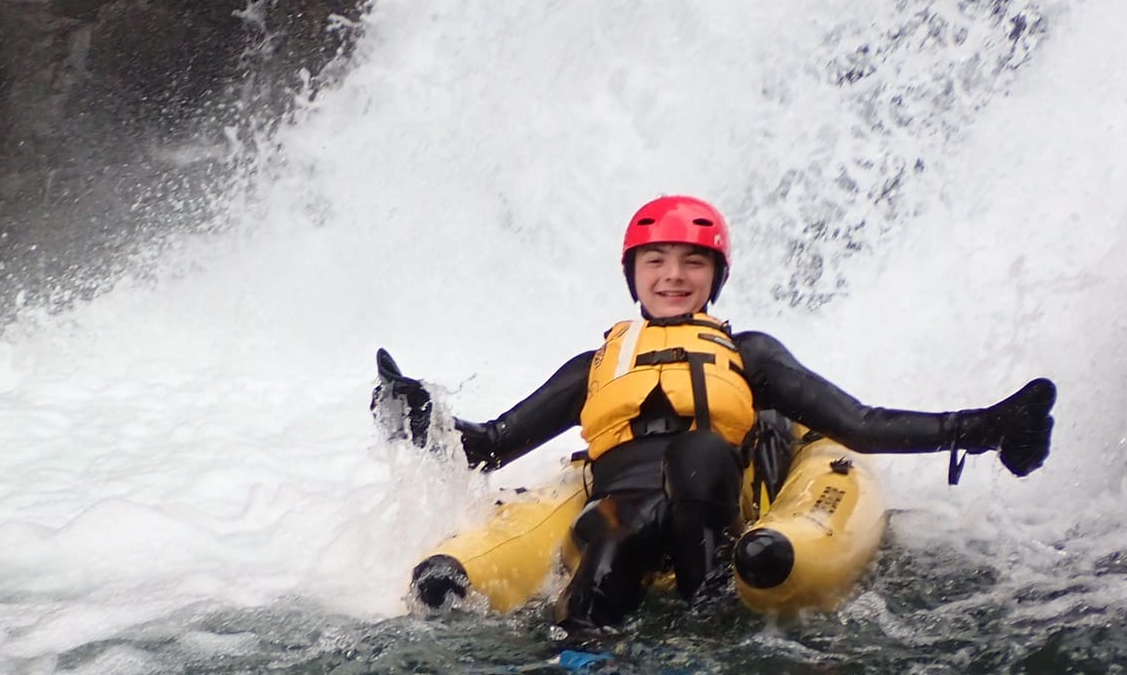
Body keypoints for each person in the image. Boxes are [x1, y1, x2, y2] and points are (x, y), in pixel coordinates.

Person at [373, 194, 1056, 630]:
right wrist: (418, 413)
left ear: (715, 277)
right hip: (620, 511)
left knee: (697, 451)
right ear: (633, 273)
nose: (674, 275)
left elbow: (858, 424)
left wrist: (987, 428)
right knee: (608, 535)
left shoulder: (747, 353)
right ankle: (583, 667)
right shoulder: (596, 366)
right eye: (657, 260)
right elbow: (489, 444)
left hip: (710, 516)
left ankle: (711, 620)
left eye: (693, 262)